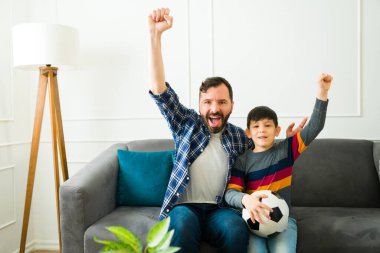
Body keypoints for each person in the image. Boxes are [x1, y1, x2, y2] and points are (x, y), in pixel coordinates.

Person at [147, 7, 306, 253]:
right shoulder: (185, 124)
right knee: (182, 223)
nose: (214, 108)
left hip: (221, 210)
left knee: (235, 228)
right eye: (208, 102)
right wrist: (155, 36)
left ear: (232, 105)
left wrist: (286, 141)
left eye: (222, 102)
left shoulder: (240, 137)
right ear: (199, 105)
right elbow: (159, 90)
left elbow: (265, 154)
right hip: (185, 206)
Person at [224, 73, 333, 253]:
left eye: (267, 125)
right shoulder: (242, 160)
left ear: (277, 130)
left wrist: (322, 92)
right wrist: (247, 200)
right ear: (248, 133)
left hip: (283, 221)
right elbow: (230, 193)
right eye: (256, 126)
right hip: (253, 223)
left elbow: (315, 126)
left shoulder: (286, 150)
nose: (262, 130)